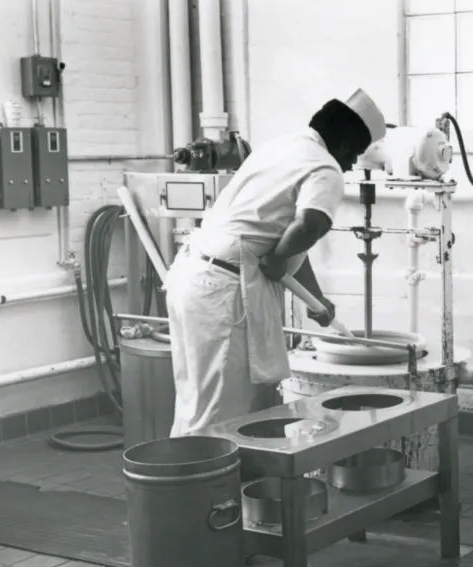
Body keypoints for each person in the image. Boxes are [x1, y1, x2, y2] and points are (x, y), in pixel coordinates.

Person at [165, 89, 387, 436]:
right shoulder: (326, 167)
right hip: (223, 290)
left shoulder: (280, 147)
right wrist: (276, 257)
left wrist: (317, 301)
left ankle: (202, 483)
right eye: (353, 154)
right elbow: (309, 225)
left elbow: (286, 239)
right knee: (218, 417)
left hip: (193, 278)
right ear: (342, 143)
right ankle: (204, 488)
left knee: (195, 405)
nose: (350, 165)